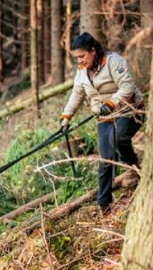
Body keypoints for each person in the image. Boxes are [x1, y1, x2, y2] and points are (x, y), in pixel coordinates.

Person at [59, 32, 145, 214]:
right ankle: (104, 205)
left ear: (93, 50)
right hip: (104, 116)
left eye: (82, 56)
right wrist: (66, 116)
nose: (80, 61)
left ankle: (133, 167)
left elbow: (128, 86)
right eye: (77, 58)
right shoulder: (82, 70)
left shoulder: (114, 61)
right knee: (105, 159)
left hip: (129, 109)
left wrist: (112, 102)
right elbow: (77, 93)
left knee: (120, 138)